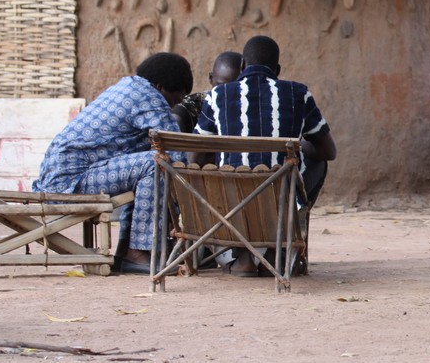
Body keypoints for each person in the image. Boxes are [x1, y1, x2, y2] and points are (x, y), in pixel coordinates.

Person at [34, 52, 193, 274]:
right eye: (175, 99)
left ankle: (126, 251)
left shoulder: (127, 87)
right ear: (160, 87)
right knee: (158, 163)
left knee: (146, 162)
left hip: (60, 177)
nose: (172, 107)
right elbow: (174, 148)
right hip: (70, 183)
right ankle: (137, 253)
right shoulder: (149, 96)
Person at [194, 35, 336, 275]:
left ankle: (243, 257)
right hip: (280, 198)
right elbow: (328, 151)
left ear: (242, 65)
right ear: (277, 70)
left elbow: (194, 157)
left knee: (223, 173)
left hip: (228, 201)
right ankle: (274, 250)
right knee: (315, 164)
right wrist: (295, 145)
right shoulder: (298, 93)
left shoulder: (217, 95)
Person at [173, 51, 241, 132]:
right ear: (211, 78)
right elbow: (178, 116)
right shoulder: (195, 105)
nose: (226, 93)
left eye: (234, 88)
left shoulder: (249, 109)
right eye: (221, 87)